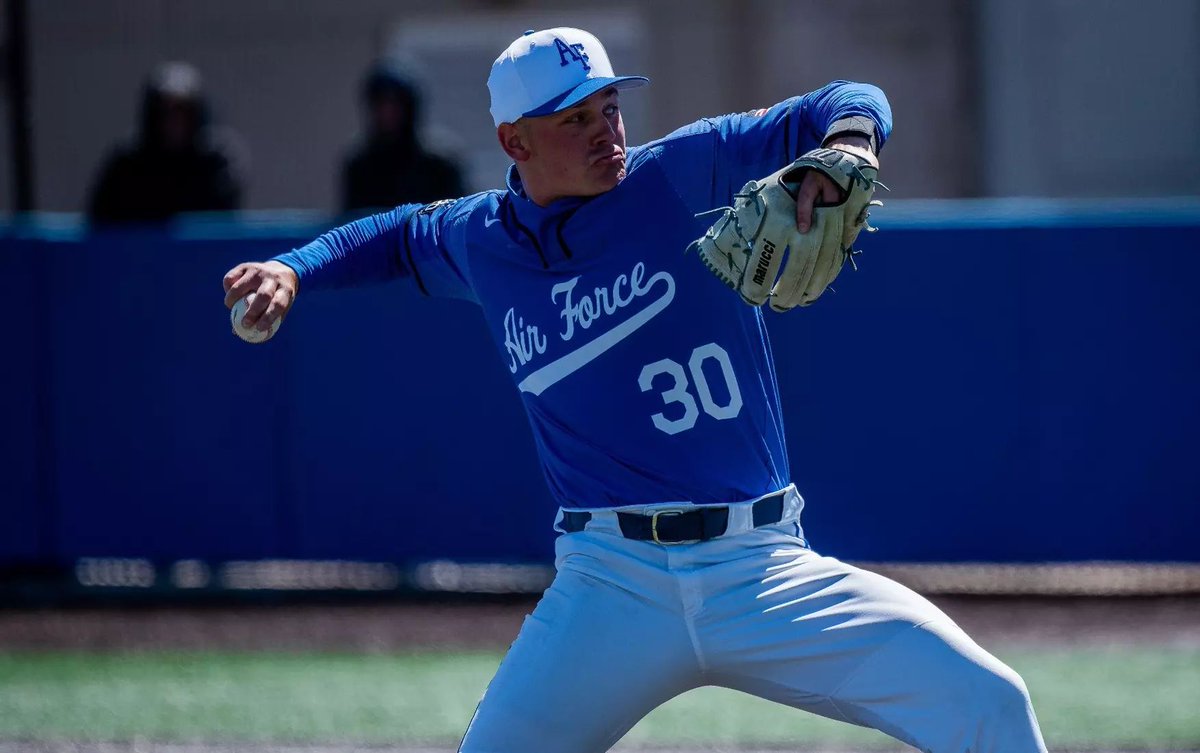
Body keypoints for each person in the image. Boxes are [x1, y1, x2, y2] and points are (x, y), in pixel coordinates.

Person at [223, 27, 1047, 753]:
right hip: (609, 582)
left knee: (988, 703)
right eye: (575, 118)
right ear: (515, 141)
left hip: (760, 567)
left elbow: (848, 97)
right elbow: (396, 233)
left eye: (609, 107)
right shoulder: (480, 240)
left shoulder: (679, 174)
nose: (605, 131)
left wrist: (856, 144)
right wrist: (294, 270)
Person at [88, 62, 243, 225]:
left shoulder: (217, 161)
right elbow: (100, 220)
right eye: (165, 111)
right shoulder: (126, 162)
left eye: (182, 111)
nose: (174, 122)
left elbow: (222, 221)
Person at [341, 60, 465, 214]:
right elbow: (351, 224)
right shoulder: (359, 165)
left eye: (395, 105)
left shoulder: (441, 165)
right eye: (381, 104)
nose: (388, 114)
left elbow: (459, 219)